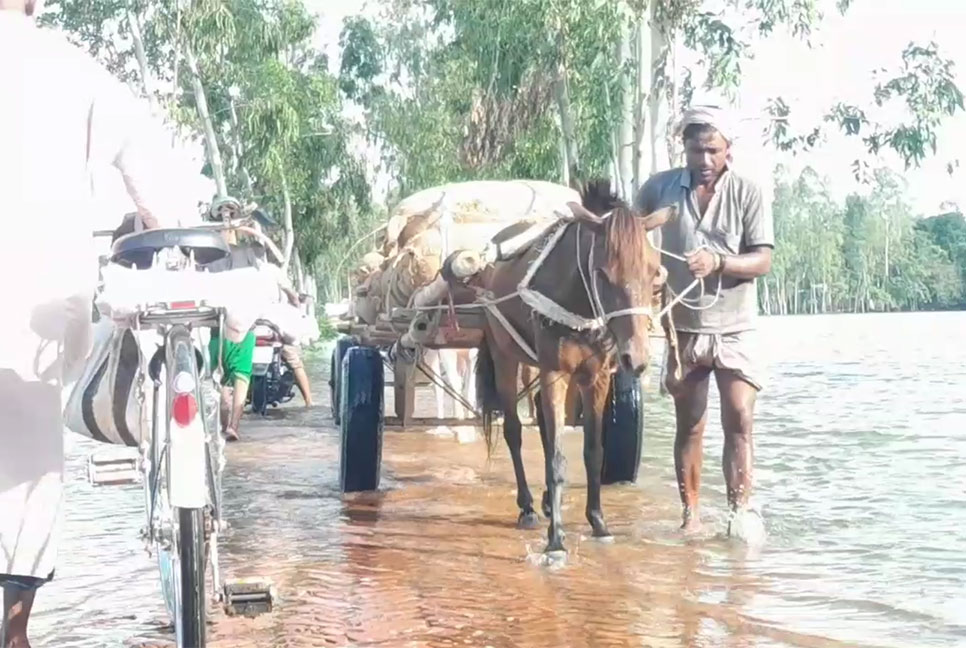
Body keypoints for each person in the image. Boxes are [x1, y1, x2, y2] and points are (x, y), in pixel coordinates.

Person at [0, 1, 199, 646]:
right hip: (38, 293)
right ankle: (15, 626)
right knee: (29, 449)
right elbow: (154, 194)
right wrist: (169, 239)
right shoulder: (78, 70)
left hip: (36, 290)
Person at [634, 105, 774, 538]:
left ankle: (740, 514)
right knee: (689, 424)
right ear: (684, 148)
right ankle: (690, 517)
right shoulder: (660, 188)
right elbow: (628, 232)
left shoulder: (749, 192)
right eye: (697, 150)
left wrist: (719, 262)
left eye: (713, 150)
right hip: (684, 327)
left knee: (739, 419)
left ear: (728, 150)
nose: (705, 161)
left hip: (734, 326)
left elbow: (764, 260)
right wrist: (649, 267)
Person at [204, 200, 314, 441]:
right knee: (273, 366)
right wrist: (295, 302)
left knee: (219, 383)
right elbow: (289, 295)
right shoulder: (260, 266)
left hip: (217, 333)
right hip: (246, 331)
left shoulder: (209, 263)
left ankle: (225, 428)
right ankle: (307, 404)